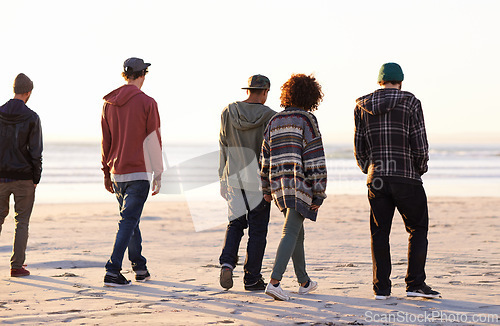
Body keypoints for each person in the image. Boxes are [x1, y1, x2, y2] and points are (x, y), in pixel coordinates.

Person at [354, 62, 441, 300]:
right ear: (400, 81)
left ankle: (381, 289)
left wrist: (369, 169)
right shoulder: (411, 102)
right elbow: (420, 143)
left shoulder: (361, 106)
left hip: (377, 178)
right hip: (407, 177)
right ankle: (414, 284)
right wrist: (419, 169)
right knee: (417, 228)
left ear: (380, 81)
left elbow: (359, 147)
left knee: (379, 232)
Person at [261, 74, 327, 301]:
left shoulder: (274, 121)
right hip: (299, 185)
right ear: (311, 96)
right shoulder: (307, 120)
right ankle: (274, 282)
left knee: (297, 231)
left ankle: (304, 281)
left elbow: (265, 157)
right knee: (291, 231)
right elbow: (314, 157)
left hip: (279, 185)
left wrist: (266, 188)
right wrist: (319, 192)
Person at [101, 57, 163, 287]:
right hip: (138, 172)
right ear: (143, 75)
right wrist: (158, 172)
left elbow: (105, 142)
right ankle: (112, 269)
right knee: (128, 220)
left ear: (125, 75)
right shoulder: (148, 102)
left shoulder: (109, 103)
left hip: (117, 172)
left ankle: (139, 267)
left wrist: (106, 172)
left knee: (131, 220)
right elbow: (153, 139)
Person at [218, 75, 276, 291]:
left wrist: (221, 178)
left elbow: (223, 145)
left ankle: (227, 263)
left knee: (235, 224)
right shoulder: (271, 116)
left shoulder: (228, 112)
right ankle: (252, 278)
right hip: (260, 182)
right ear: (265, 91)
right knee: (258, 231)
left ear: (248, 90)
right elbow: (273, 152)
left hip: (233, 178)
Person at [0, 73, 42, 277]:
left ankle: (17, 265)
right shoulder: (32, 117)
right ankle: (16, 266)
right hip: (24, 177)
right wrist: (36, 178)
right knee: (22, 222)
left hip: (0, 177)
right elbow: (36, 152)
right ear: (28, 92)